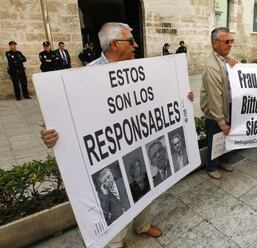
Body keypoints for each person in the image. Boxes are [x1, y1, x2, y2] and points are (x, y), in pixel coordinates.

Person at [40, 22, 163, 248]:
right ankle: (117, 242)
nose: (136, 45)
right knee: (118, 195)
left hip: (137, 141)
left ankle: (143, 225)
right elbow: (57, 118)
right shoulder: (86, 76)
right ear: (115, 44)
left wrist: (183, 97)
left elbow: (157, 99)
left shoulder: (140, 70)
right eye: (131, 41)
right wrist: (48, 133)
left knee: (144, 184)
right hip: (110, 150)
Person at [200, 27, 236, 180]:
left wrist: (236, 66)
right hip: (215, 112)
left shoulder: (227, 58)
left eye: (231, 41)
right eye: (226, 41)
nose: (230, 44)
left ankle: (224, 161)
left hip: (228, 107)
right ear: (215, 44)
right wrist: (221, 122)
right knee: (215, 139)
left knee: (226, 138)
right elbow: (214, 98)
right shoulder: (211, 66)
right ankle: (211, 166)